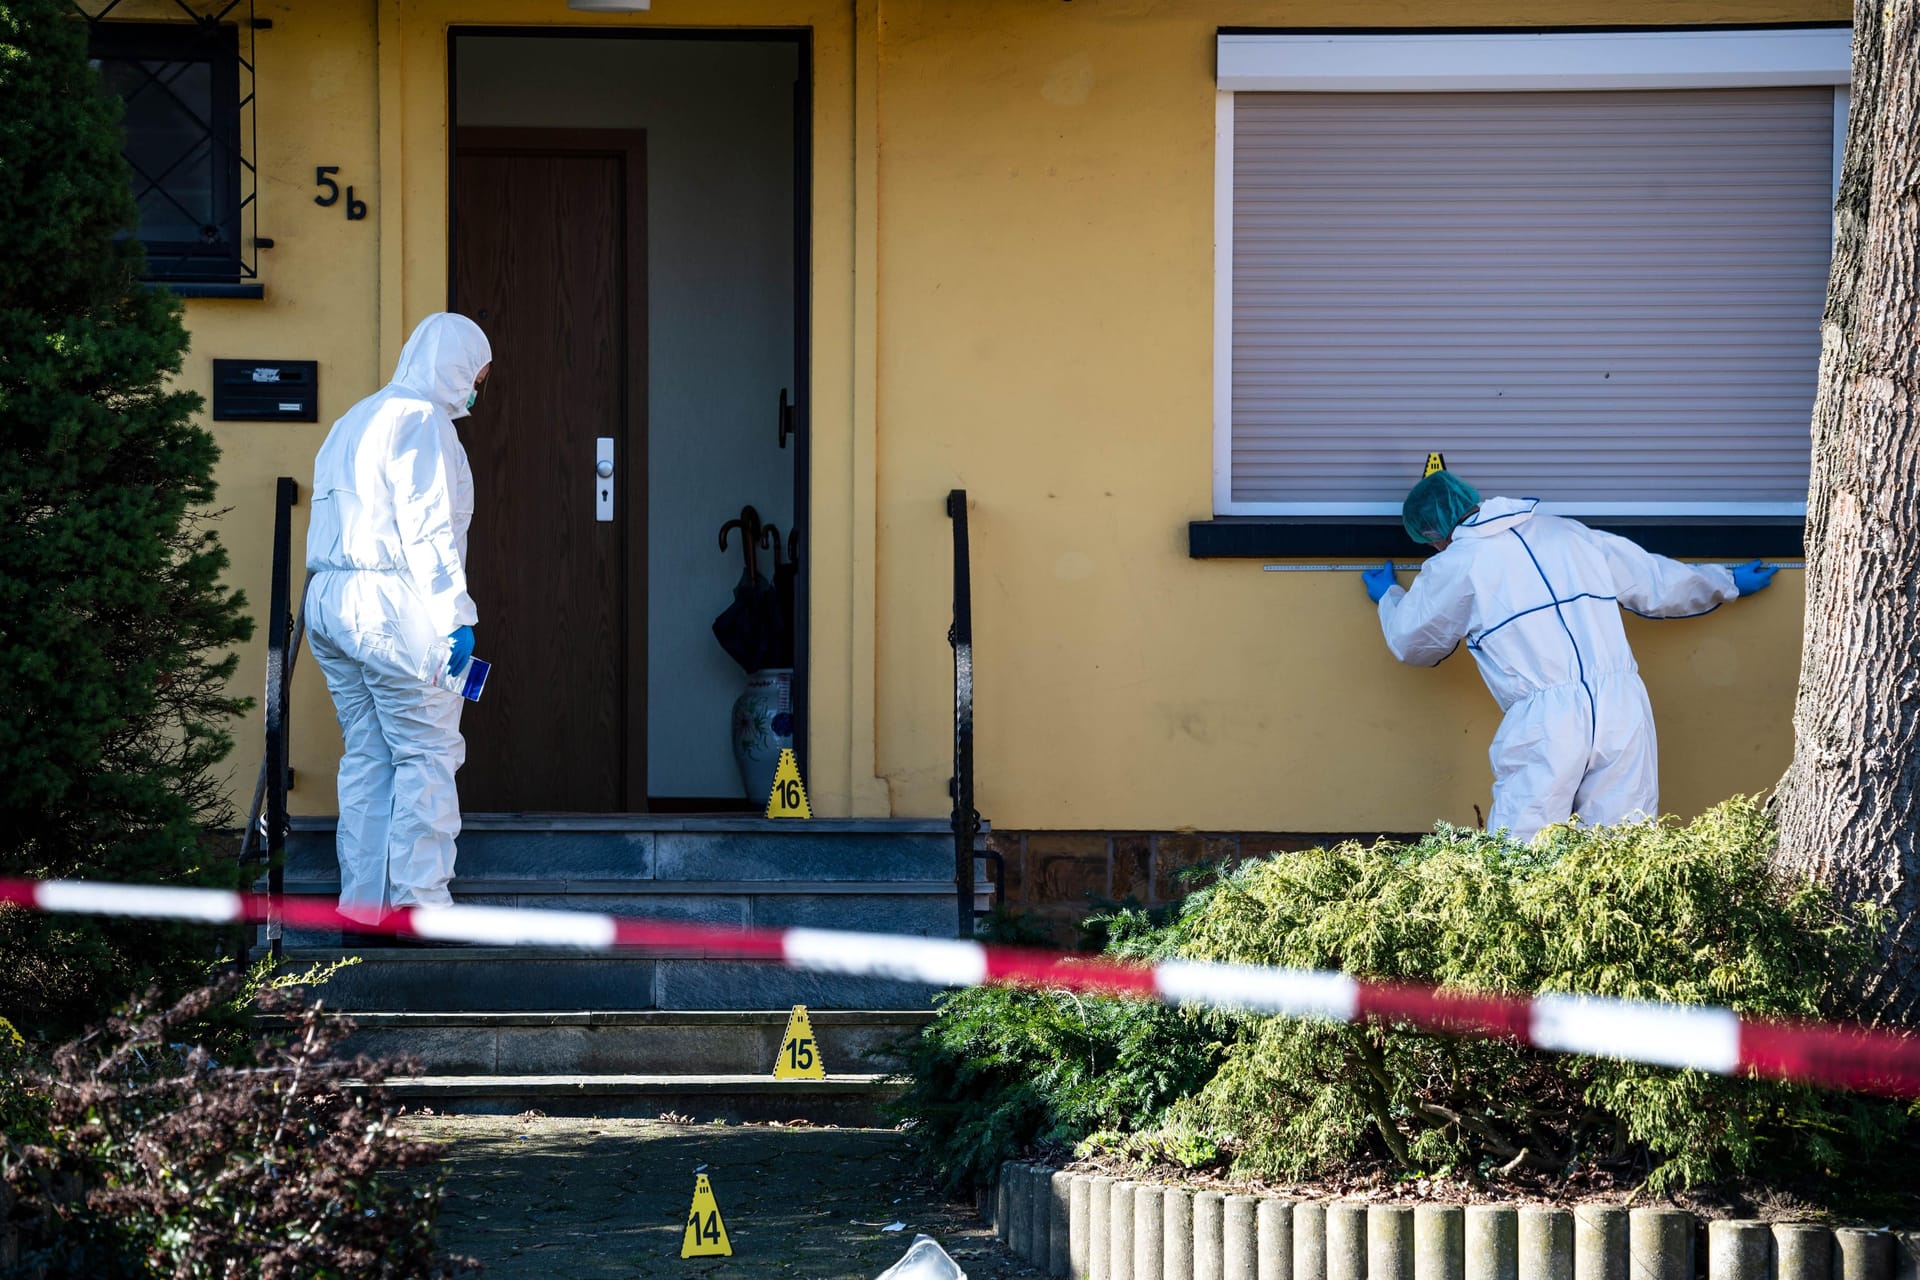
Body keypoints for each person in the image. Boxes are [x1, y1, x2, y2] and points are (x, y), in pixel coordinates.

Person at [1363, 469, 1778, 842]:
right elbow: (1655, 581)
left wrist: (1389, 598)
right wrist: (1726, 581)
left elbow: (1413, 641)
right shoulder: (1567, 532)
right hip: (1622, 706)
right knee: (1624, 844)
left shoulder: (1456, 564)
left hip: (1547, 722)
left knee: (1522, 847)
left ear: (1433, 536)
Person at [304, 312, 492, 929]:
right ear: (458, 363)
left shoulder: (355, 418)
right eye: (477, 375)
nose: (475, 390)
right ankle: (421, 902)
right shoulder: (421, 422)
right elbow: (428, 528)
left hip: (332, 603)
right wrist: (455, 617)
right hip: (395, 610)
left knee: (367, 755)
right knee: (427, 753)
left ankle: (363, 904)